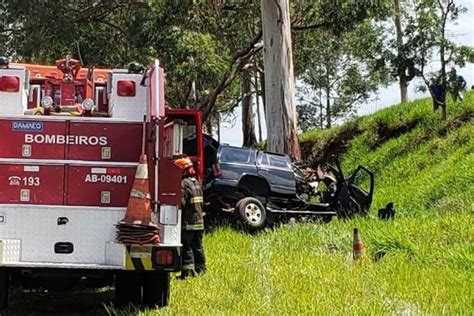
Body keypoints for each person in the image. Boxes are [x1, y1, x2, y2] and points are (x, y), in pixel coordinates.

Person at [173, 156, 206, 279]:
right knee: (198, 247)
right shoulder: (196, 183)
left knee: (186, 247)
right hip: (199, 221)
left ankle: (187, 273)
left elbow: (181, 203)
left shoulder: (183, 184)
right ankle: (201, 270)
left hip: (189, 223)